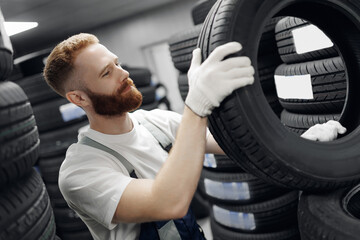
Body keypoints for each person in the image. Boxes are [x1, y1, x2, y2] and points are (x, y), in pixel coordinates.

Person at [43, 33, 345, 240]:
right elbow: (167, 203)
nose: (123, 74)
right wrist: (197, 104)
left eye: (118, 63)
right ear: (78, 98)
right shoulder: (80, 171)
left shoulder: (155, 122)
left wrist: (305, 138)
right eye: (106, 73)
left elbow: (243, 145)